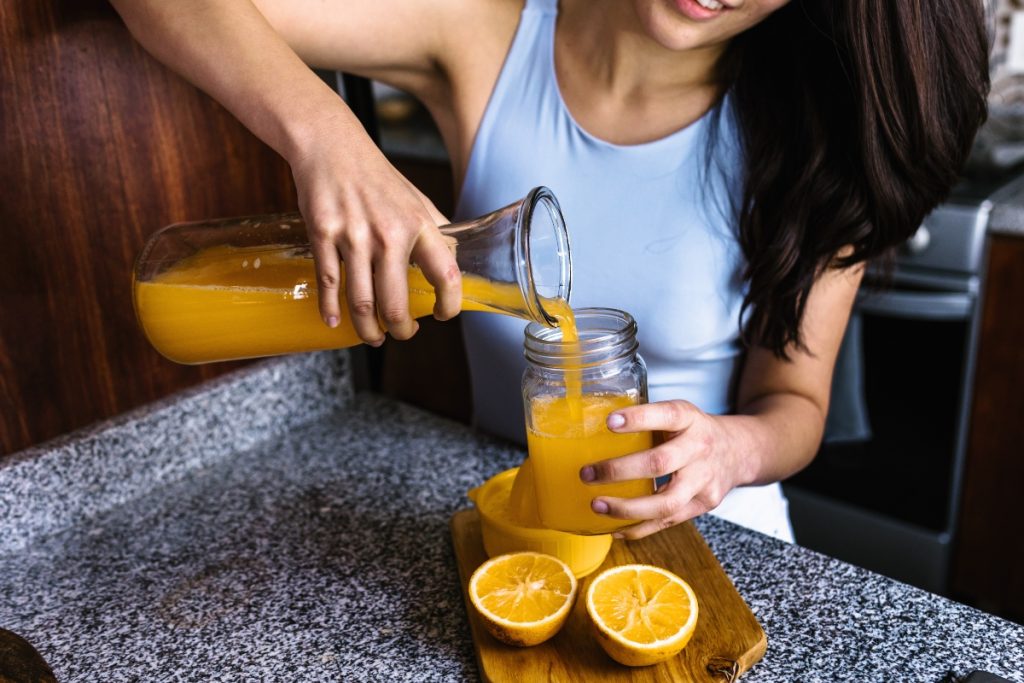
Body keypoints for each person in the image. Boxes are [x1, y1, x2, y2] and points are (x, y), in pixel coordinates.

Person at [110, 0, 989, 542]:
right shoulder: (486, 35)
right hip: (519, 527)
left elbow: (793, 407)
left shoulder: (820, 141)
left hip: (722, 542)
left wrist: (730, 448)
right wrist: (330, 139)